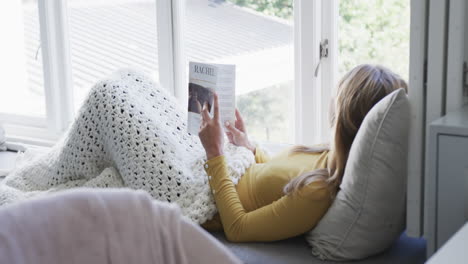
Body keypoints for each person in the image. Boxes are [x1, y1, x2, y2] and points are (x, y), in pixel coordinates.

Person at [198, 64, 407, 242]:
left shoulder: (318, 190)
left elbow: (238, 229)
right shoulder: (328, 152)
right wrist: (249, 147)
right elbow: (277, 178)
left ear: (345, 113)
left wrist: (214, 153)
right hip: (222, 172)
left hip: (204, 197)